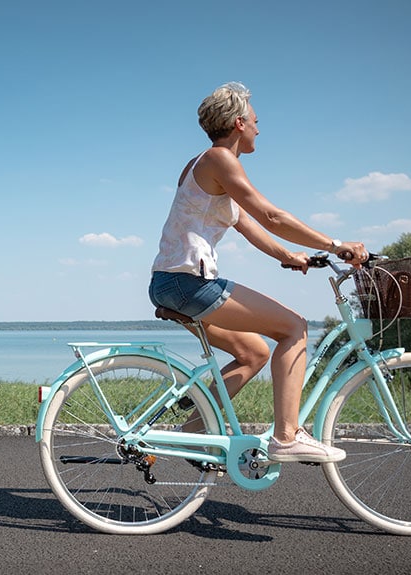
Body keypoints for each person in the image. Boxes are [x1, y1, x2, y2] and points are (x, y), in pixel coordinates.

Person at [149, 82, 368, 463]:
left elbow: (249, 225)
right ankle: (287, 436)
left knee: (253, 354)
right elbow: (272, 216)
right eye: (255, 121)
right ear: (238, 123)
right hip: (189, 283)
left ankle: (190, 435)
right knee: (294, 327)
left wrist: (290, 256)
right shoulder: (220, 159)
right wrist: (335, 245)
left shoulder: (202, 166)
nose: (258, 128)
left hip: (170, 282)